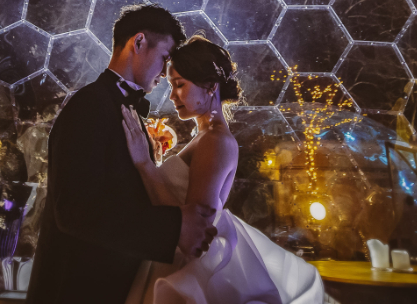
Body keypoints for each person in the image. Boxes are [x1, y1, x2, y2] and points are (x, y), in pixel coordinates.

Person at [26, 5, 218, 304]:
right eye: (165, 57)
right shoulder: (90, 105)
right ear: (138, 42)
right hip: (74, 291)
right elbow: (75, 211)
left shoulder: (121, 109)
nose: (165, 72)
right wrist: (173, 227)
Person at [121, 37, 325, 304]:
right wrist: (155, 163)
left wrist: (145, 165)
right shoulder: (205, 137)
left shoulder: (215, 141)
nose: (172, 96)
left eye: (180, 84)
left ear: (210, 86)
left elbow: (194, 230)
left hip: (179, 272)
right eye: (171, 86)